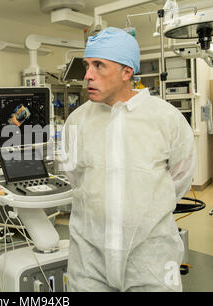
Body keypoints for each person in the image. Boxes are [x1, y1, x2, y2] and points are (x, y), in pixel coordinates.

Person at [60, 27, 196, 292]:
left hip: (150, 260)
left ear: (127, 73)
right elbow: (74, 177)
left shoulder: (165, 119)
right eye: (87, 65)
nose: (87, 75)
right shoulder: (76, 122)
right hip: (89, 261)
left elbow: (179, 180)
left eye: (99, 66)